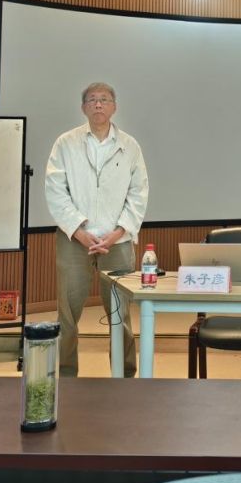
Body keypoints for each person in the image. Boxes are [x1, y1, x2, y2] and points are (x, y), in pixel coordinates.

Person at [45, 82, 149, 377]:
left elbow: (138, 193)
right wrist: (79, 230)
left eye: (104, 99)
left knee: (120, 313)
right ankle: (66, 375)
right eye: (92, 100)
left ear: (114, 106)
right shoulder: (65, 143)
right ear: (83, 108)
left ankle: (124, 375)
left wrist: (117, 233)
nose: (98, 104)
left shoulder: (129, 145)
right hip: (74, 239)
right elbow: (55, 189)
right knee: (67, 313)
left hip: (117, 241)